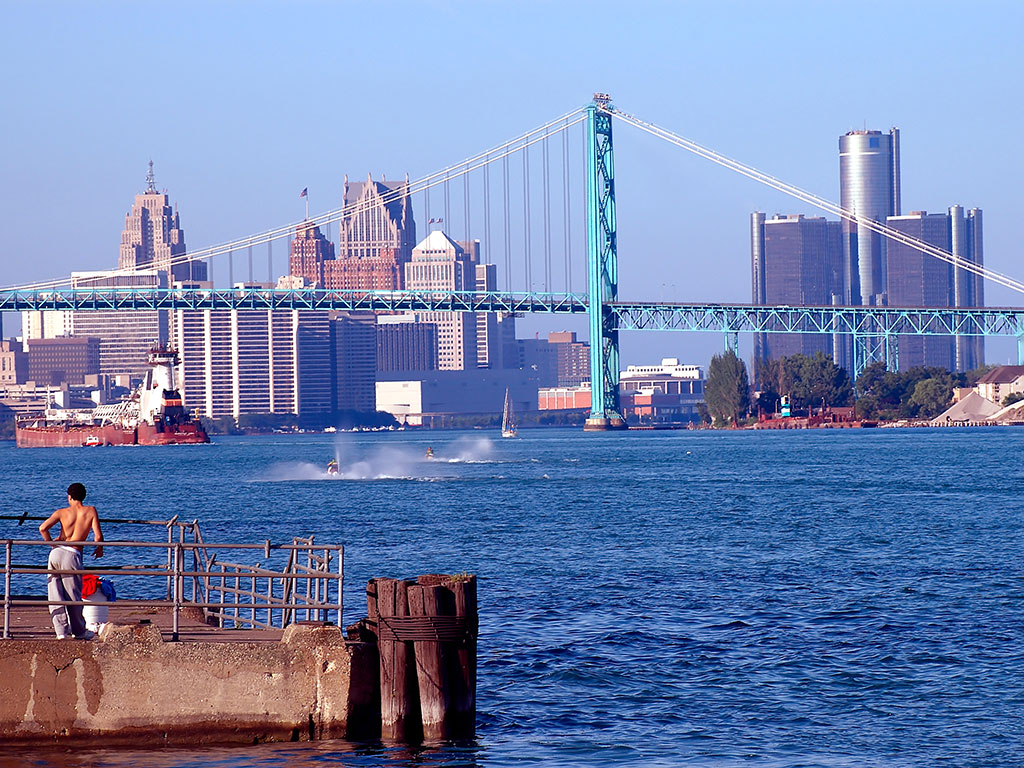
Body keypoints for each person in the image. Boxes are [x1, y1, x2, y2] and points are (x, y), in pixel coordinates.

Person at [39, 483, 104, 640]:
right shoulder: (90, 511)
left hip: (56, 553)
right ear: (84, 496)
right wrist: (99, 548)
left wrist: (51, 544)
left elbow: (43, 528)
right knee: (73, 595)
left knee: (55, 595)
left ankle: (61, 632)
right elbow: (98, 537)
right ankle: (79, 631)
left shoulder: (62, 512)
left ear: (69, 496)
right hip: (72, 553)